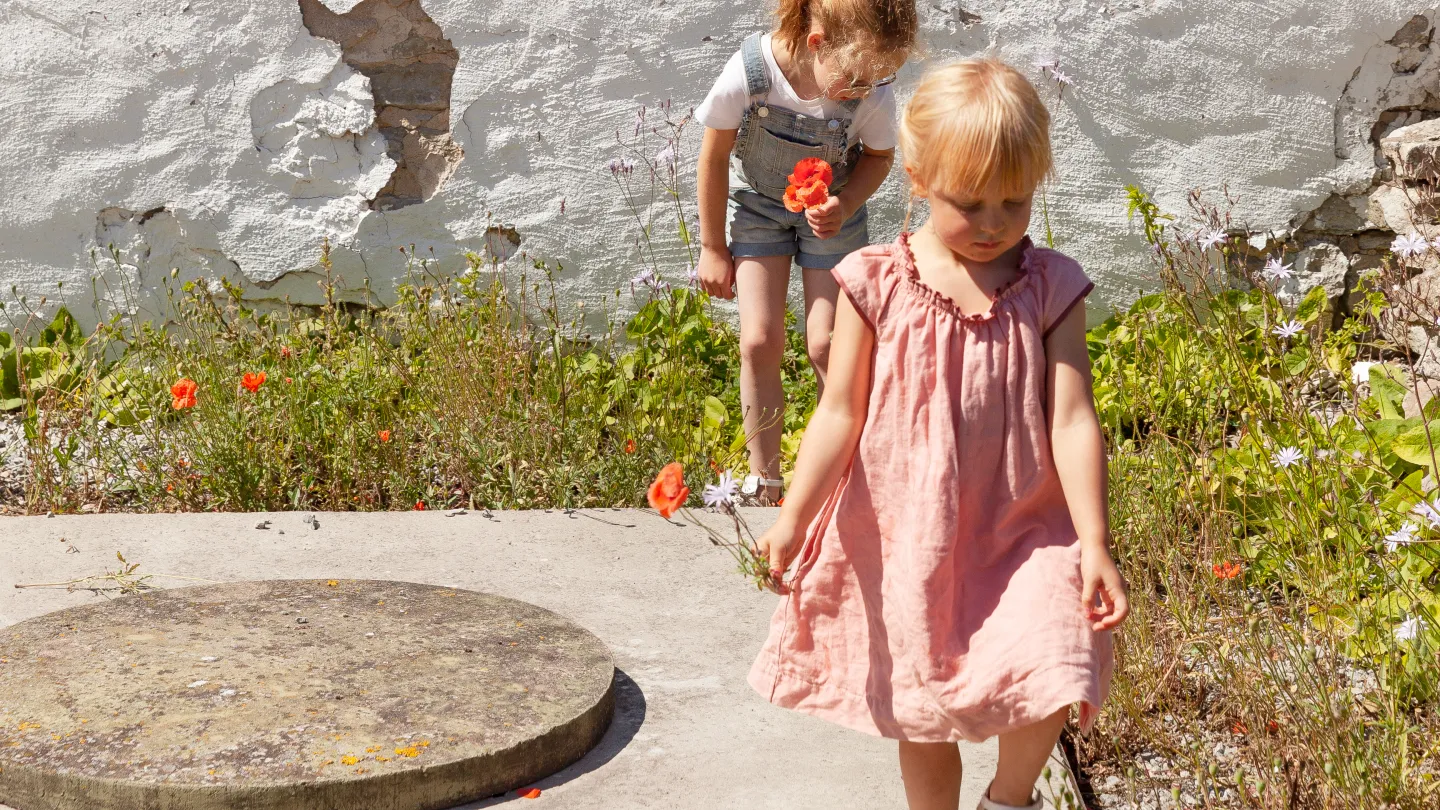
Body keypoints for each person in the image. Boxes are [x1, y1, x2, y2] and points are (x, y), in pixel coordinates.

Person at [748, 59, 1130, 810]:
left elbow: (1073, 416)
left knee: (1061, 652)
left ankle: (1008, 800)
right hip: (909, 536)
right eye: (970, 202)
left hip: (1027, 529)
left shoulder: (1051, 285)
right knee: (921, 711)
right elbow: (839, 413)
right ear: (917, 178)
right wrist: (793, 516)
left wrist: (1094, 541)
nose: (992, 224)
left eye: (1013, 202)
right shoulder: (874, 280)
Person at [693, 0, 917, 504]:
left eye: (879, 79)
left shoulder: (871, 88)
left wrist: (845, 202)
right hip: (762, 213)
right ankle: (764, 479)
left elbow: (879, 158)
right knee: (759, 340)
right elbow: (714, 153)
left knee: (828, 345)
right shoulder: (752, 73)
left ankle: (835, 482)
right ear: (818, 45)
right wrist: (712, 247)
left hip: (832, 221)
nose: (870, 90)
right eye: (860, 80)